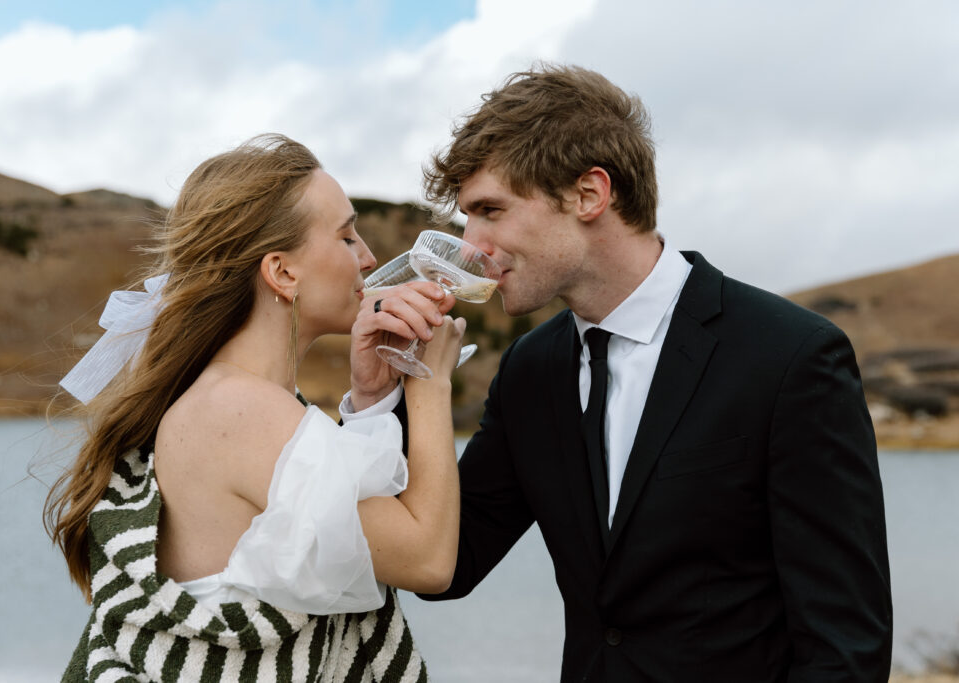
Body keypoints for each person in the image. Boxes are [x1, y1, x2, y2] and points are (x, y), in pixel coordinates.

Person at [345, 65, 893, 681]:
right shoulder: (530, 371)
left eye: (490, 211)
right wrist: (376, 397)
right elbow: (446, 565)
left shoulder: (791, 358)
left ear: (589, 194)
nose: (472, 244)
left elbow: (845, 646)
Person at [45, 134, 464, 682]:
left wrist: (370, 399)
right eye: (345, 237)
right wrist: (429, 382)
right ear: (282, 273)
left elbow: (341, 528)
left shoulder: (236, 400)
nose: (369, 258)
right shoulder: (238, 411)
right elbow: (428, 560)